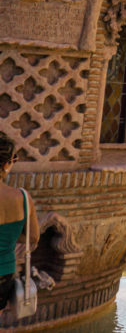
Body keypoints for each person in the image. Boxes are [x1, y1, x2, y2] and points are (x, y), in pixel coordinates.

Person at [0, 133, 38, 312]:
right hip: (4, 271)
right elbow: (33, 238)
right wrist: (9, 237)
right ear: (7, 163)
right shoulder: (23, 197)